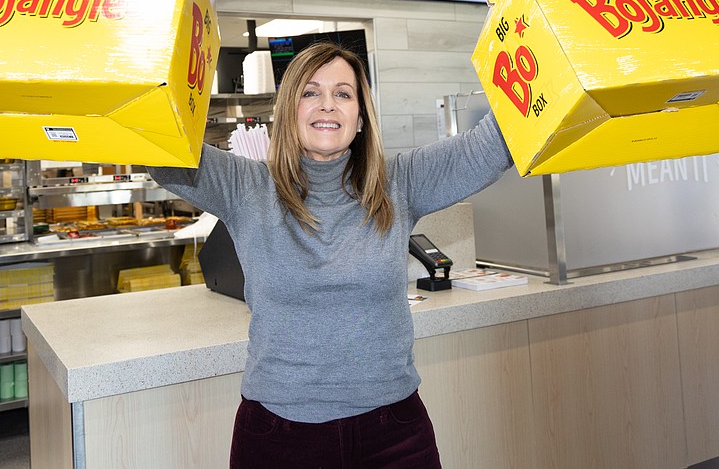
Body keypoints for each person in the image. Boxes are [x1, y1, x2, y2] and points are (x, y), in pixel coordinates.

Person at [147, 42, 513, 468]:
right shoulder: (243, 186)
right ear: (288, 110)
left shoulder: (401, 181)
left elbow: (494, 146)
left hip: (394, 433)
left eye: (343, 93)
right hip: (278, 438)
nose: (328, 105)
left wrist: (520, 38)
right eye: (310, 92)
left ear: (360, 117)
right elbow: (160, 148)